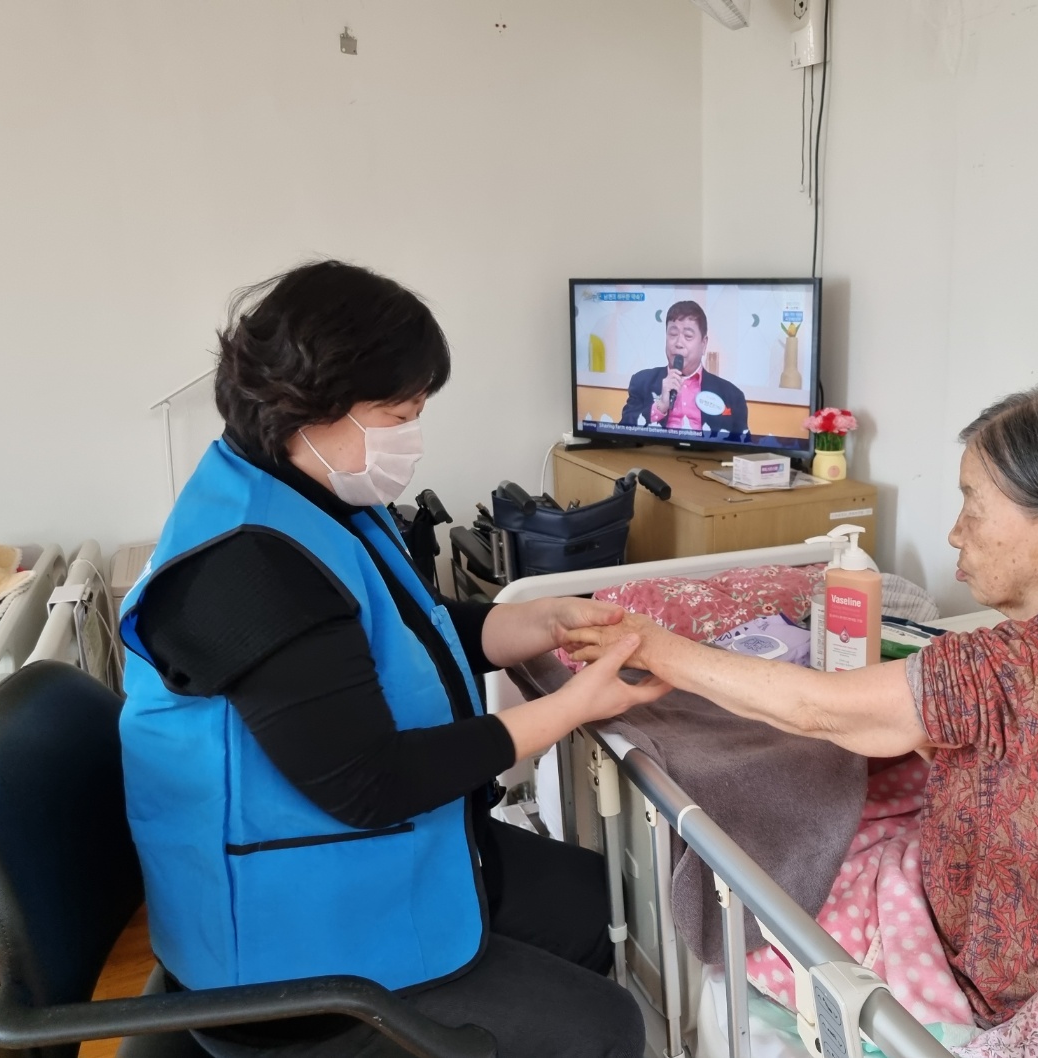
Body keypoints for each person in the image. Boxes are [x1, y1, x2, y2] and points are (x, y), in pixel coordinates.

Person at [118, 260, 669, 1058]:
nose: (411, 434)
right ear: (310, 405)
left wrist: (539, 620)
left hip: (362, 856)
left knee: (594, 900)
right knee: (609, 1028)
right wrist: (572, 707)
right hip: (293, 957)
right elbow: (369, 785)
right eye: (399, 413)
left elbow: (403, 634)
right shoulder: (247, 565)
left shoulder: (311, 494)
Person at [568, 376, 1038, 1027]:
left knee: (772, 906)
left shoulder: (995, 666)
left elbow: (813, 707)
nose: (955, 533)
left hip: (1025, 982)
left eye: (973, 506)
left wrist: (653, 645)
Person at [619, 300, 749, 438]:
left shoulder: (732, 396)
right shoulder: (642, 382)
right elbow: (622, 434)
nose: (678, 343)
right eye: (673, 334)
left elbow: (741, 444)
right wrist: (660, 407)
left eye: (688, 336)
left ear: (703, 344)